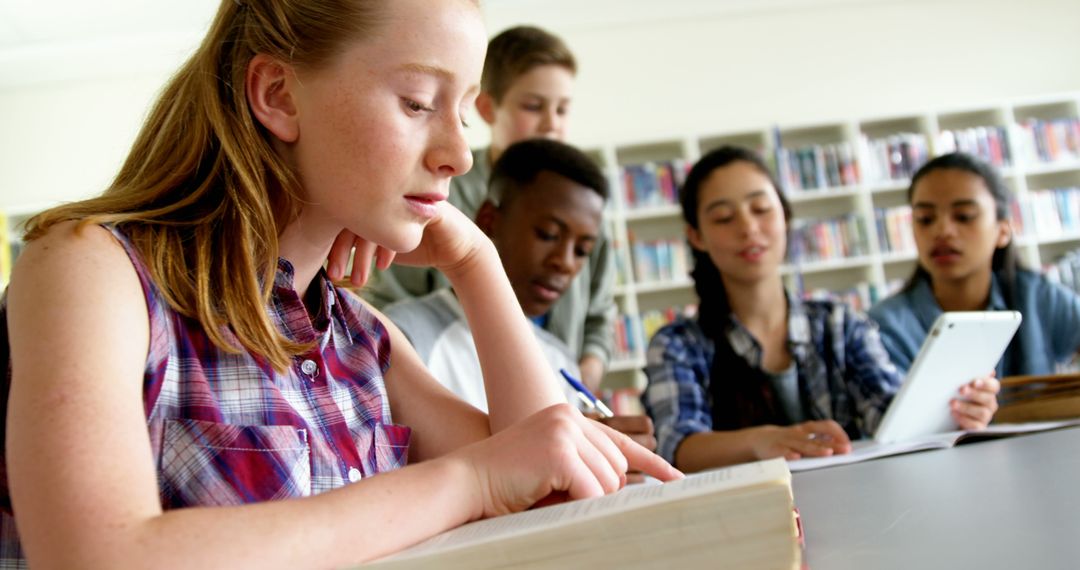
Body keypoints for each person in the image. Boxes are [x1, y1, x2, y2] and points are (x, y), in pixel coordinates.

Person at [0, 1, 680, 567]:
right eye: (418, 103)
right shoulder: (89, 269)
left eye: (465, 112)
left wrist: (476, 262)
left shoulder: (360, 334)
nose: (461, 152)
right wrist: (472, 480)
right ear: (277, 95)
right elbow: (96, 556)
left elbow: (557, 497)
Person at [640, 146, 1001, 473]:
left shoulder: (841, 324)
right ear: (696, 236)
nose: (749, 227)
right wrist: (761, 441)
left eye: (761, 209)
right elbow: (677, 445)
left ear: (785, 216)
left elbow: (887, 413)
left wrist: (955, 410)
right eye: (723, 218)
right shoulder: (677, 344)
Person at [344, 25, 617, 393]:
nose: (552, 123)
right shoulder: (438, 194)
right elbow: (397, 301)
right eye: (534, 106)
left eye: (562, 109)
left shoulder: (586, 201)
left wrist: (579, 387)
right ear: (488, 108)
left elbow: (599, 313)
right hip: (450, 379)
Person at [385, 138, 654, 450]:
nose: (565, 263)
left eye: (582, 251)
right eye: (548, 235)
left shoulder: (560, 360)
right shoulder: (404, 337)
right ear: (488, 220)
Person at [869, 152, 1080, 376]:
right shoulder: (882, 327)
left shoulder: (1037, 295)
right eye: (925, 219)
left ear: (1003, 230)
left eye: (964, 216)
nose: (942, 231)